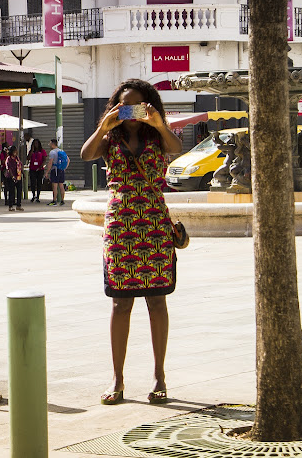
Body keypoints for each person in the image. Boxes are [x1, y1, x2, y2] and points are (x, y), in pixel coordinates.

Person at [80, 78, 182, 406]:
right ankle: (118, 379)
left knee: (156, 301)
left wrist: (158, 122)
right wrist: (105, 124)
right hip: (121, 225)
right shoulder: (111, 137)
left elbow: (175, 148)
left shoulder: (157, 135)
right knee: (120, 303)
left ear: (150, 104)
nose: (132, 112)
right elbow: (86, 154)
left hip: (153, 220)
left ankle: (160, 376)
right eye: (126, 105)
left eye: (139, 105)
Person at [45, 139, 67, 206]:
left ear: (52, 144)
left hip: (55, 170)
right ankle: (62, 201)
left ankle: (54, 201)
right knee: (61, 185)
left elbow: (50, 162)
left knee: (54, 186)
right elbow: (68, 160)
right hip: (61, 170)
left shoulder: (52, 152)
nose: (49, 145)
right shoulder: (61, 151)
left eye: (50, 143)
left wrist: (47, 172)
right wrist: (64, 168)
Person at [4, 146, 24, 212]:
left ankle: (18, 205)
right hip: (11, 177)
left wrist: (23, 173)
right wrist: (12, 176)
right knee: (11, 192)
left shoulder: (17, 158)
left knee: (19, 191)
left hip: (18, 176)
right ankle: (10, 206)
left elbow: (20, 165)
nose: (16, 152)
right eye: (14, 151)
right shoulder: (9, 159)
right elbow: (8, 168)